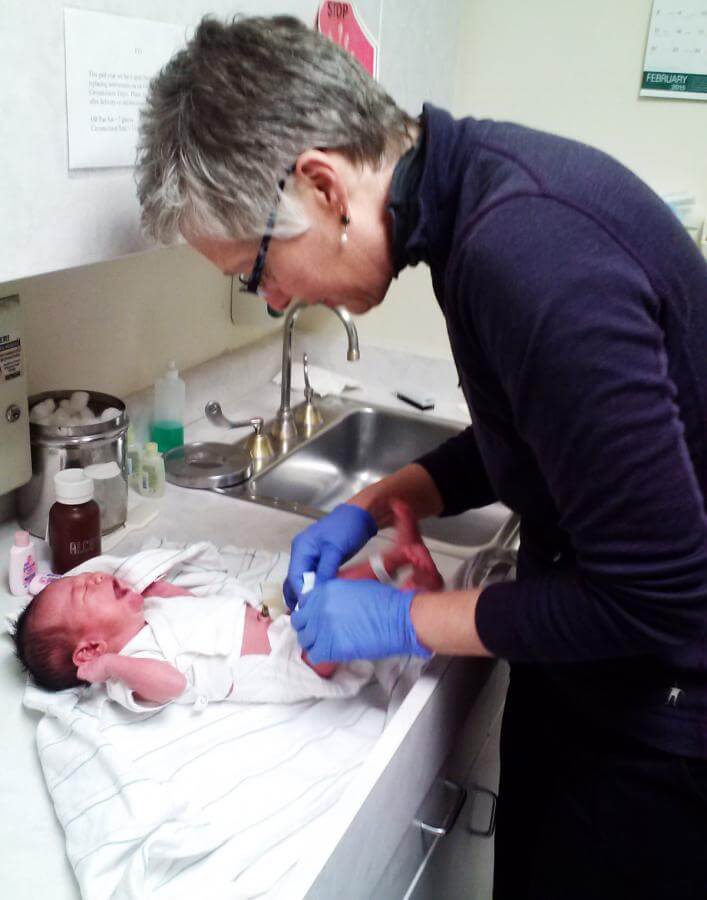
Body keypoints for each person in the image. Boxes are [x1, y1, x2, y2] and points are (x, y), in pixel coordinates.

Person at [136, 15, 707, 899]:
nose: (276, 298)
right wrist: (376, 502)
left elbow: (658, 593)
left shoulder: (525, 252)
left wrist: (407, 623)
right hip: (597, 685)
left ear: (322, 186)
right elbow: (533, 427)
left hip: (661, 727)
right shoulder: (478, 198)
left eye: (255, 274)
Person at [12, 500, 443, 710]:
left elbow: (197, 606)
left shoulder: (151, 611)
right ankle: (410, 600)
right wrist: (111, 669)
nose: (99, 577)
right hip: (281, 667)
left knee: (327, 593)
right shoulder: (131, 666)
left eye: (93, 576)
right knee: (335, 622)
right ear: (90, 651)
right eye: (87, 590)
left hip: (279, 628)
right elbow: (172, 685)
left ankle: (396, 562)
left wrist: (157, 590)